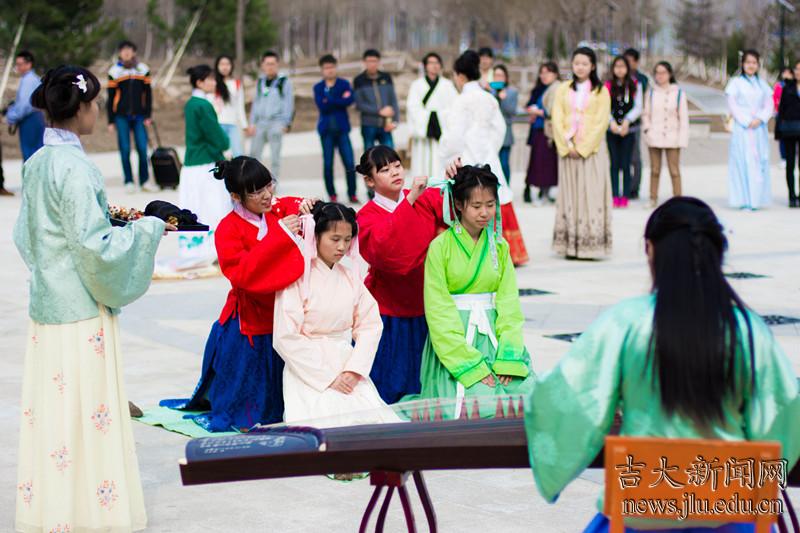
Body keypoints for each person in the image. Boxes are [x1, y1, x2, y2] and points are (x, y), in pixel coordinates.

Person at [524, 197, 800, 532]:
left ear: (650, 250)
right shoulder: (747, 331)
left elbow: (571, 396)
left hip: (641, 513)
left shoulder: (626, 323)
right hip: (731, 513)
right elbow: (783, 418)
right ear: (717, 252)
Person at [14, 65, 172, 533]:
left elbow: (26, 237)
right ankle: (94, 513)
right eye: (96, 102)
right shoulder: (77, 168)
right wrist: (147, 230)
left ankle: (52, 510)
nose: (99, 110)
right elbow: (94, 247)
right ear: (81, 108)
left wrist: (52, 268)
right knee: (90, 411)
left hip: (48, 305)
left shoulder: (36, 162)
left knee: (56, 415)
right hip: (82, 310)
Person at [161, 157, 313, 431]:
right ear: (235, 196)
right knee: (245, 403)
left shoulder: (276, 210)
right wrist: (278, 237)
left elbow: (294, 204)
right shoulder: (228, 229)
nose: (266, 195)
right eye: (255, 192)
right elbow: (242, 275)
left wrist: (307, 205)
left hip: (284, 312)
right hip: (249, 319)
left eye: (268, 185)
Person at [413, 165, 534, 413]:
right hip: (456, 342)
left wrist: (509, 358)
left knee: (528, 395)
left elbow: (509, 304)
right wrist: (469, 365)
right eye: (476, 206)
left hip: (495, 338)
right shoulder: (440, 247)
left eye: (490, 204)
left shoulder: (499, 246)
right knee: (481, 404)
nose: (485, 213)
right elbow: (438, 310)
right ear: (458, 204)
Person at [274, 202, 401, 427]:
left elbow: (371, 325)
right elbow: (285, 336)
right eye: (334, 239)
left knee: (374, 420)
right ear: (316, 235)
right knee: (323, 423)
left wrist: (354, 370)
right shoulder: (297, 276)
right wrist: (327, 377)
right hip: (307, 367)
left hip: (345, 361)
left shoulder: (350, 277)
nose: (342, 247)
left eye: (347, 239)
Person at [355, 146, 446, 404]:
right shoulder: (366, 216)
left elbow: (455, 210)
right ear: (370, 181)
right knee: (388, 381)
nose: (395, 172)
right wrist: (409, 201)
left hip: (426, 299)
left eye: (397, 165)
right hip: (389, 308)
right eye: (385, 170)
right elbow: (386, 250)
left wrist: (455, 179)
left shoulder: (424, 198)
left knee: (424, 377)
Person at [440, 50, 529, 266]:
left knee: (466, 202)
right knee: (494, 198)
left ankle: (468, 251)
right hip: (489, 159)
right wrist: (489, 151)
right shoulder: (489, 99)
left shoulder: (460, 101)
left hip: (465, 160)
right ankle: (501, 250)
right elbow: (499, 129)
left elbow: (454, 136)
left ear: (460, 76)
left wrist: (449, 157)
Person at [550, 46, 613, 259]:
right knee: (570, 194)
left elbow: (601, 122)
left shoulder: (601, 91)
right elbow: (557, 116)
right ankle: (570, 245)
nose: (580, 67)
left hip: (592, 152)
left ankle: (590, 245)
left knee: (590, 194)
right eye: (577, 63)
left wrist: (583, 148)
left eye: (585, 63)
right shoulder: (563, 89)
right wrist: (566, 145)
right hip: (568, 150)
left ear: (592, 66)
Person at [178, 65, 231, 265]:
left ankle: (195, 248)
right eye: (210, 79)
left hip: (191, 163)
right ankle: (215, 248)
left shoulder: (190, 104)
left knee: (195, 205)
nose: (214, 82)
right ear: (200, 82)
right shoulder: (203, 105)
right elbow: (214, 134)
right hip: (207, 163)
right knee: (214, 205)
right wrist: (225, 144)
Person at [725, 49, 772, 211]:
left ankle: (757, 199)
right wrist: (746, 121)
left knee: (759, 162)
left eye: (754, 63)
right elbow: (732, 105)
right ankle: (743, 199)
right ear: (743, 64)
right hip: (742, 129)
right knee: (742, 161)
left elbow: (769, 105)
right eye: (748, 62)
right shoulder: (735, 83)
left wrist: (760, 119)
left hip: (758, 129)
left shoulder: (762, 84)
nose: (751, 66)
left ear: (758, 65)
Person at [107, 41, 154, 193]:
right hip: (121, 116)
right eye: (123, 50)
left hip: (140, 116)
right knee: (125, 149)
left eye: (129, 50)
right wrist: (110, 120)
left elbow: (148, 94)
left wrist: (148, 115)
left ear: (134, 52)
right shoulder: (114, 71)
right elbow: (111, 97)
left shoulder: (143, 69)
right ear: (119, 53)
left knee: (142, 148)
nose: (126, 52)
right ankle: (128, 181)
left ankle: (144, 181)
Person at [642, 61, 689, 208]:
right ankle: (652, 198)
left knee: (674, 170)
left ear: (669, 74)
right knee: (655, 170)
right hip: (654, 136)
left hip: (672, 137)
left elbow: (683, 118)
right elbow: (646, 114)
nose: (660, 76)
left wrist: (682, 139)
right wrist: (647, 130)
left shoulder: (678, 93)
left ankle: (678, 199)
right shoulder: (651, 93)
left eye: (663, 73)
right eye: (657, 73)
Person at [314, 54, 357, 203]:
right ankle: (332, 194)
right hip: (326, 132)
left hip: (342, 130)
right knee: (328, 164)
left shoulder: (344, 84)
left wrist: (330, 99)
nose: (329, 70)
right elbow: (322, 106)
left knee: (350, 163)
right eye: (326, 68)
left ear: (336, 67)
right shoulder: (318, 87)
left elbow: (349, 100)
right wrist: (339, 99)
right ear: (322, 70)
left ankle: (352, 193)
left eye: (332, 67)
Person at [407, 52, 458, 178]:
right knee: (421, 164)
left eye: (437, 63)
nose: (434, 66)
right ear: (425, 66)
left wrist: (438, 117)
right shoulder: (417, 85)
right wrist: (429, 118)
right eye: (431, 63)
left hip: (442, 134)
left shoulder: (447, 85)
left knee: (439, 163)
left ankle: (439, 186)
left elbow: (454, 107)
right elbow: (413, 108)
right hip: (423, 134)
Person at [247, 51, 294, 180]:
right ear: (263, 65)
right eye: (267, 64)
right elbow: (256, 103)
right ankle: (254, 183)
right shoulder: (260, 82)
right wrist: (252, 123)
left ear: (277, 64)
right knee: (253, 155)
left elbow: (289, 103)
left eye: (273, 64)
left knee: (275, 157)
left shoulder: (284, 82)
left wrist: (286, 123)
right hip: (260, 123)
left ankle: (273, 184)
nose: (270, 67)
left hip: (276, 123)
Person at [605, 56, 643, 208]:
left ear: (627, 68)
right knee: (614, 163)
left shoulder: (635, 84)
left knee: (626, 163)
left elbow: (638, 107)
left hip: (629, 130)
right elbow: (604, 107)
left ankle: (625, 195)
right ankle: (615, 194)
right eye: (617, 66)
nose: (620, 70)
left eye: (623, 66)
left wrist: (627, 121)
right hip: (612, 129)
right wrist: (611, 122)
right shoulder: (607, 85)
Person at [524, 62, 560, 204]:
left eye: (548, 72)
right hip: (538, 130)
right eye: (542, 72)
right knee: (537, 163)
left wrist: (537, 112)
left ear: (555, 74)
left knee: (546, 163)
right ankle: (539, 192)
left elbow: (553, 111)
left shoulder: (556, 88)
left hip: (548, 131)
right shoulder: (540, 89)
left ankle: (544, 193)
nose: (544, 75)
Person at [354, 49, 399, 152]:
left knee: (389, 154)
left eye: (374, 61)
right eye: (369, 61)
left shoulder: (386, 77)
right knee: (369, 156)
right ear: (364, 62)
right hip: (368, 124)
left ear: (379, 62)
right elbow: (359, 105)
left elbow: (393, 100)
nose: (372, 64)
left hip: (386, 124)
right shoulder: (359, 80)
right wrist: (379, 111)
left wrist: (395, 121)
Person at [4, 50, 45, 162]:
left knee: (30, 155)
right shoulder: (33, 78)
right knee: (37, 153)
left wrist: (10, 116)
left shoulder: (28, 80)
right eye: (17, 64)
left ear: (29, 64)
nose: (18, 67)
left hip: (30, 120)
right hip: (36, 118)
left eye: (20, 64)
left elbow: (24, 105)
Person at [623, 48, 648, 199]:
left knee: (635, 157)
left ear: (636, 62)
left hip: (635, 123)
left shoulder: (642, 80)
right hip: (618, 123)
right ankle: (624, 187)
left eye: (630, 61)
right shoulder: (617, 77)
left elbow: (643, 101)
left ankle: (634, 188)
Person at [775, 59, 800, 208]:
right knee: (790, 165)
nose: (798, 72)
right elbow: (781, 110)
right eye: (797, 69)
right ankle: (792, 196)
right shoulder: (787, 87)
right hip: (790, 130)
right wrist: (778, 131)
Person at [213, 55, 248, 157]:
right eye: (222, 64)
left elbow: (240, 106)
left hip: (233, 124)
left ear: (231, 66)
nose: (225, 67)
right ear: (217, 66)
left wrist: (244, 125)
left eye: (227, 64)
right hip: (217, 124)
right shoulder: (213, 83)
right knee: (219, 155)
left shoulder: (236, 83)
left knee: (238, 154)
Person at [492, 64, 519, 184]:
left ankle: (506, 187)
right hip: (491, 133)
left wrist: (503, 99)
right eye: (496, 75)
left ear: (506, 77)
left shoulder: (512, 92)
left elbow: (511, 112)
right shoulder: (490, 91)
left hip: (505, 133)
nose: (498, 78)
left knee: (504, 163)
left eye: (501, 75)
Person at [773, 67, 793, 166]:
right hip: (781, 115)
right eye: (785, 73)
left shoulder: (795, 86)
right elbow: (775, 99)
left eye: (789, 73)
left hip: (793, 116)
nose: (787, 75)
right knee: (782, 139)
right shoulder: (779, 86)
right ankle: (783, 158)